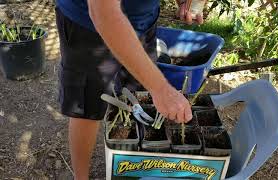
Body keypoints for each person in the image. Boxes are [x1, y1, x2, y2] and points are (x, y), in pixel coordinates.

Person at [55, 0, 205, 179]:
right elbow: (106, 16)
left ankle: (132, 168)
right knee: (87, 107)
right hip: (88, 25)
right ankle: (81, 177)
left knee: (137, 97)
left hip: (143, 21)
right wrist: (161, 89)